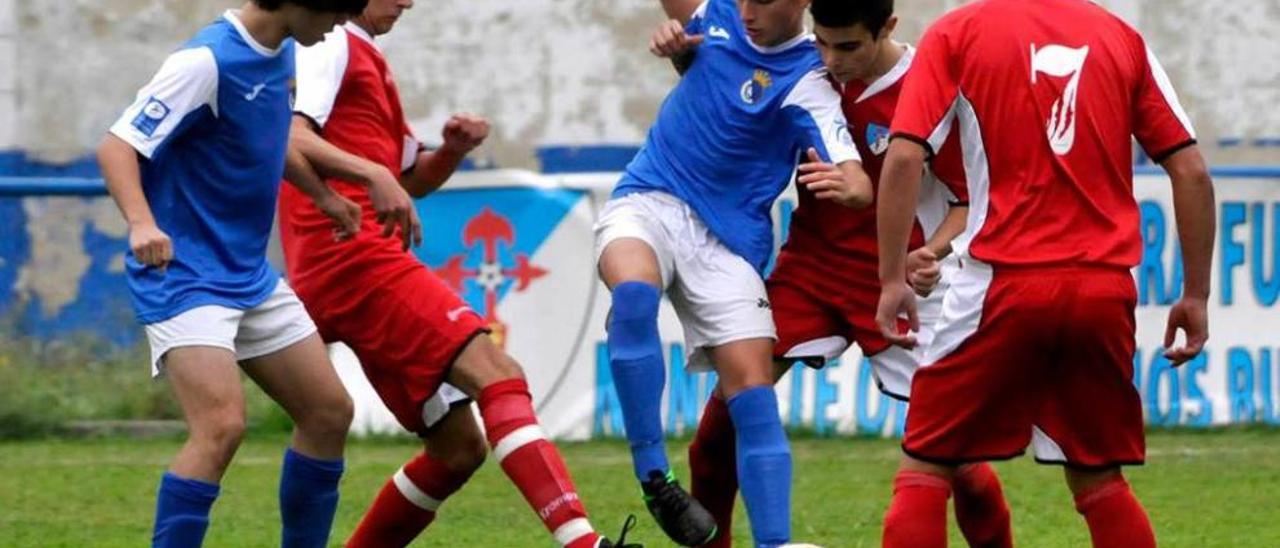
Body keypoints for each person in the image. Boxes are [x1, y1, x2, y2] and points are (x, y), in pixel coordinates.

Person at [280, 1, 636, 547]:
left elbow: (410, 181)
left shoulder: (364, 56)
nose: (407, 2)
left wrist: (450, 150)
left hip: (339, 263)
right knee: (497, 372)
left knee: (457, 449)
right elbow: (292, 136)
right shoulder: (330, 44)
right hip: (353, 257)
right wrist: (372, 172)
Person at [873, 1, 1215, 546]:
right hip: (1103, 291)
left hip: (1003, 283)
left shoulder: (956, 34)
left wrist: (892, 279)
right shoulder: (1119, 37)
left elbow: (905, 155)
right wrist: (1195, 294)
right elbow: (1191, 169)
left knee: (927, 466)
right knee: (1099, 479)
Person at [685, 2, 1011, 546]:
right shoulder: (806, 76)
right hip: (809, 272)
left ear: (887, 28)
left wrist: (930, 251)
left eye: (848, 47)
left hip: (898, 286)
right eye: (822, 43)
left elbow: (968, 200)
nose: (831, 61)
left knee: (961, 466)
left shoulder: (931, 88)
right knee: (718, 430)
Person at [598, 0, 872, 545]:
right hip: (649, 197)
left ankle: (774, 542)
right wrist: (673, 40)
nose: (748, 11)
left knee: (753, 391)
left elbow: (857, 180)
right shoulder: (716, 13)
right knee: (632, 294)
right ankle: (656, 477)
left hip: (728, 243)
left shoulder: (809, 80)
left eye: (764, 1)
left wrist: (853, 189)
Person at [96, 1, 370, 546]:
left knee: (328, 412)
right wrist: (141, 223)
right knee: (220, 428)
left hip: (247, 275)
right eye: (338, 10)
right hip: (185, 274)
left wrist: (322, 196)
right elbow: (117, 145)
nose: (341, 23)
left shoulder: (284, 48)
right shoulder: (207, 62)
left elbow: (267, 137)